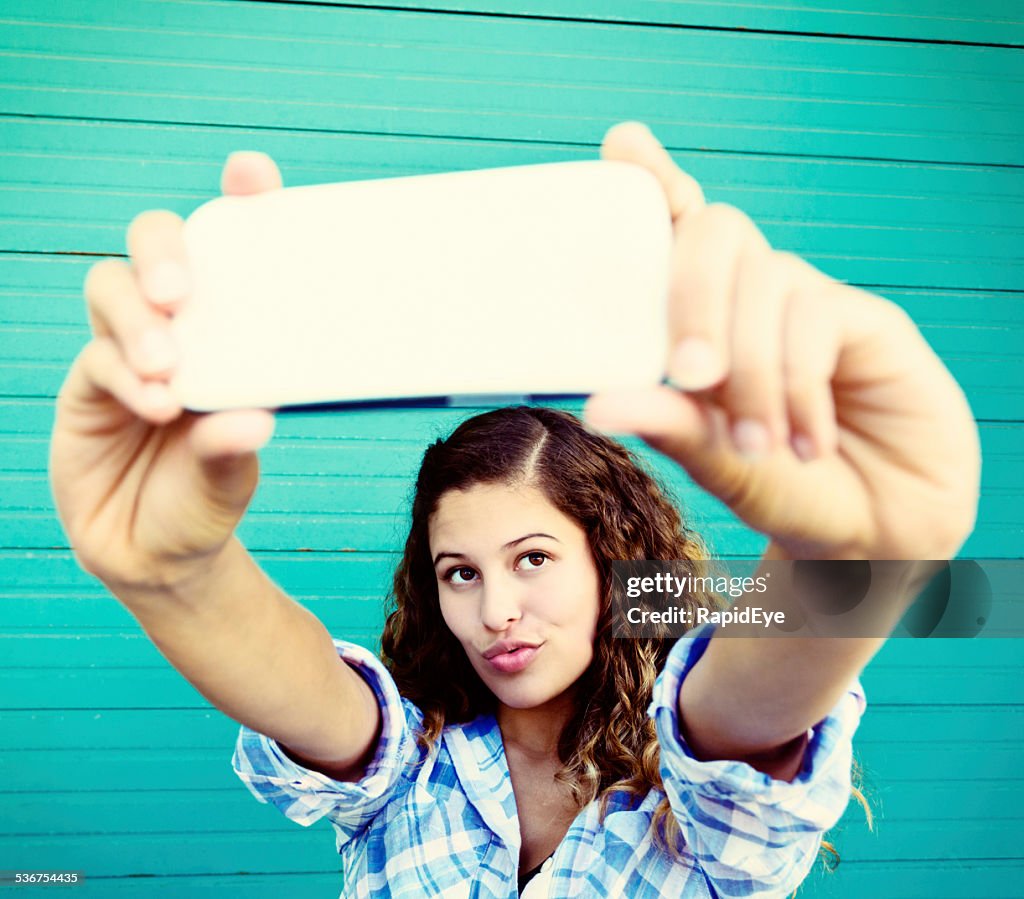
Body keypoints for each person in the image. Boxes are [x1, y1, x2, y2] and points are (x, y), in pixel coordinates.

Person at [48, 123, 981, 897]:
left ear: (612, 568)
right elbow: (318, 703)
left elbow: (745, 707)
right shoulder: (410, 769)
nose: (495, 610)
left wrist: (860, 562)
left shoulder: (692, 796)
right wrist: (178, 579)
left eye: (533, 558)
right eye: (461, 572)